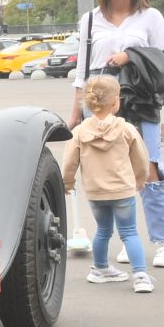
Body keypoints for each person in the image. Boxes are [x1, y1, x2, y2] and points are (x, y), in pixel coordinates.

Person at [70, 0, 164, 266]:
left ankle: (163, 242)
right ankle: (126, 237)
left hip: (141, 97)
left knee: (151, 165)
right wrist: (76, 109)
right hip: (102, 98)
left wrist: (130, 56)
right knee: (112, 169)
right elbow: (81, 68)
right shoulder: (90, 20)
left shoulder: (150, 16)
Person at [61, 75, 153, 292]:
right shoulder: (126, 129)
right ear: (115, 102)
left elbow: (69, 162)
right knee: (129, 232)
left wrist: (67, 183)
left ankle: (100, 269)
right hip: (122, 190)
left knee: (103, 230)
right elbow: (141, 157)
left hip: (95, 192)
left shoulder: (80, 132)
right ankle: (140, 276)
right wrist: (140, 179)